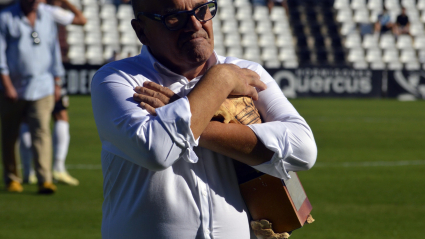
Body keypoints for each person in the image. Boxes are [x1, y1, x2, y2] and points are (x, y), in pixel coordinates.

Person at [91, 0, 317, 238]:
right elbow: (157, 151)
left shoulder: (246, 72)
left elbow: (304, 150)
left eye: (202, 10)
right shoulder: (117, 79)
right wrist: (220, 80)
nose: (195, 24)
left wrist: (185, 114)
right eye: (174, 16)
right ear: (141, 31)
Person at [0, 0, 64, 193]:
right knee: (10, 135)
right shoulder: (5, 17)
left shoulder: (47, 18)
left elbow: (54, 52)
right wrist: (6, 84)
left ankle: (45, 179)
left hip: (42, 85)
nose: (36, 2)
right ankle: (12, 178)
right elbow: (0, 55)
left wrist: (57, 82)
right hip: (13, 87)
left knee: (41, 132)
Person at [20, 0, 86, 186]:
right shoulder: (50, 11)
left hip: (29, 70)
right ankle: (58, 167)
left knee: (26, 119)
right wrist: (66, 2)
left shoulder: (21, 11)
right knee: (60, 115)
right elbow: (82, 20)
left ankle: (28, 171)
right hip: (48, 71)